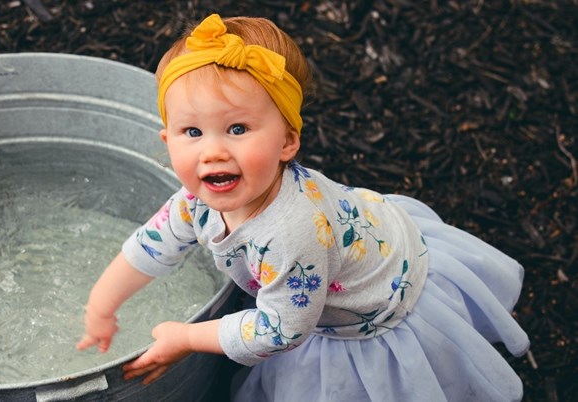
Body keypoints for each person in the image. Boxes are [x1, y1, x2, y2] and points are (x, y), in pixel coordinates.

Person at [76, 14, 530, 401]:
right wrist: (102, 304)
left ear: (287, 141)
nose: (211, 152)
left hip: (372, 301)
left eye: (237, 128)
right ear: (167, 140)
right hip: (357, 237)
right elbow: (151, 246)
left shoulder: (291, 234)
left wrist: (187, 337)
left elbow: (281, 331)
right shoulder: (195, 199)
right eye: (192, 132)